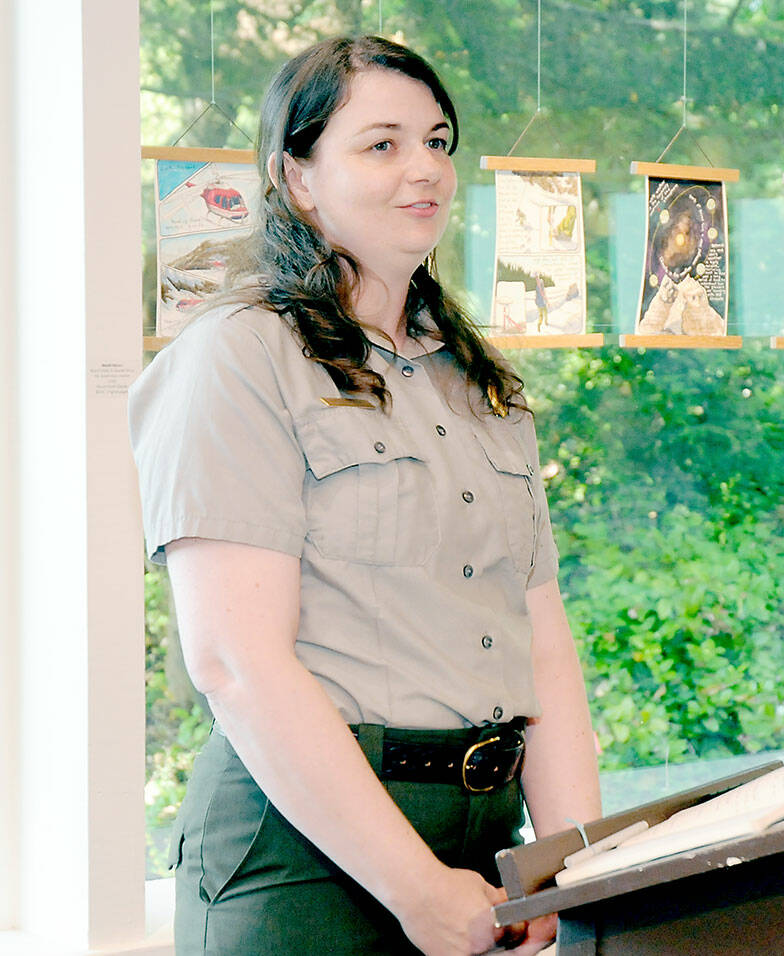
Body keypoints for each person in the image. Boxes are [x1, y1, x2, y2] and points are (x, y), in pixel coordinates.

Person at [129, 35, 601, 955]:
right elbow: (236, 661)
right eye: (381, 144)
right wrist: (413, 885)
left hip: (482, 840)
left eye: (437, 141)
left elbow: (541, 638)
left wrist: (568, 859)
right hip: (303, 852)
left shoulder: (480, 381)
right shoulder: (237, 355)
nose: (424, 167)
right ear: (298, 180)